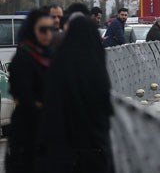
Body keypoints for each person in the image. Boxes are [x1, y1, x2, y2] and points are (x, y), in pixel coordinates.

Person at [37, 14, 114, 173]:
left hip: (65, 150)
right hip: (95, 148)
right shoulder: (97, 68)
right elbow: (105, 109)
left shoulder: (59, 66)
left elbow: (51, 108)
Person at [6, 9, 53, 173]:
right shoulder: (23, 58)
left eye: (51, 29)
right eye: (42, 29)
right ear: (32, 30)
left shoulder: (49, 56)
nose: (48, 34)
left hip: (47, 132)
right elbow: (23, 95)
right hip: (28, 131)